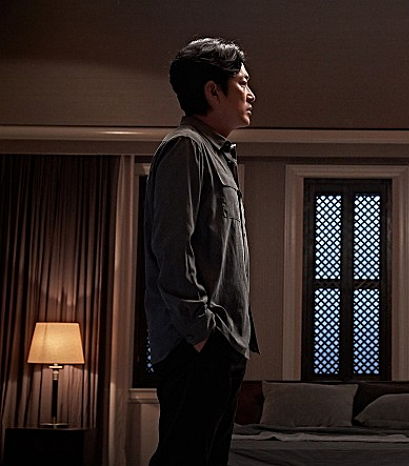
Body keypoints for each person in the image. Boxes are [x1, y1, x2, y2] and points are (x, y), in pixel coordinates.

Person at [143, 37, 258, 466]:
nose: (251, 93)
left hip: (221, 345)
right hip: (199, 348)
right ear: (213, 91)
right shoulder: (186, 148)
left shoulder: (215, 153)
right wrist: (204, 335)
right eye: (242, 83)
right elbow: (172, 250)